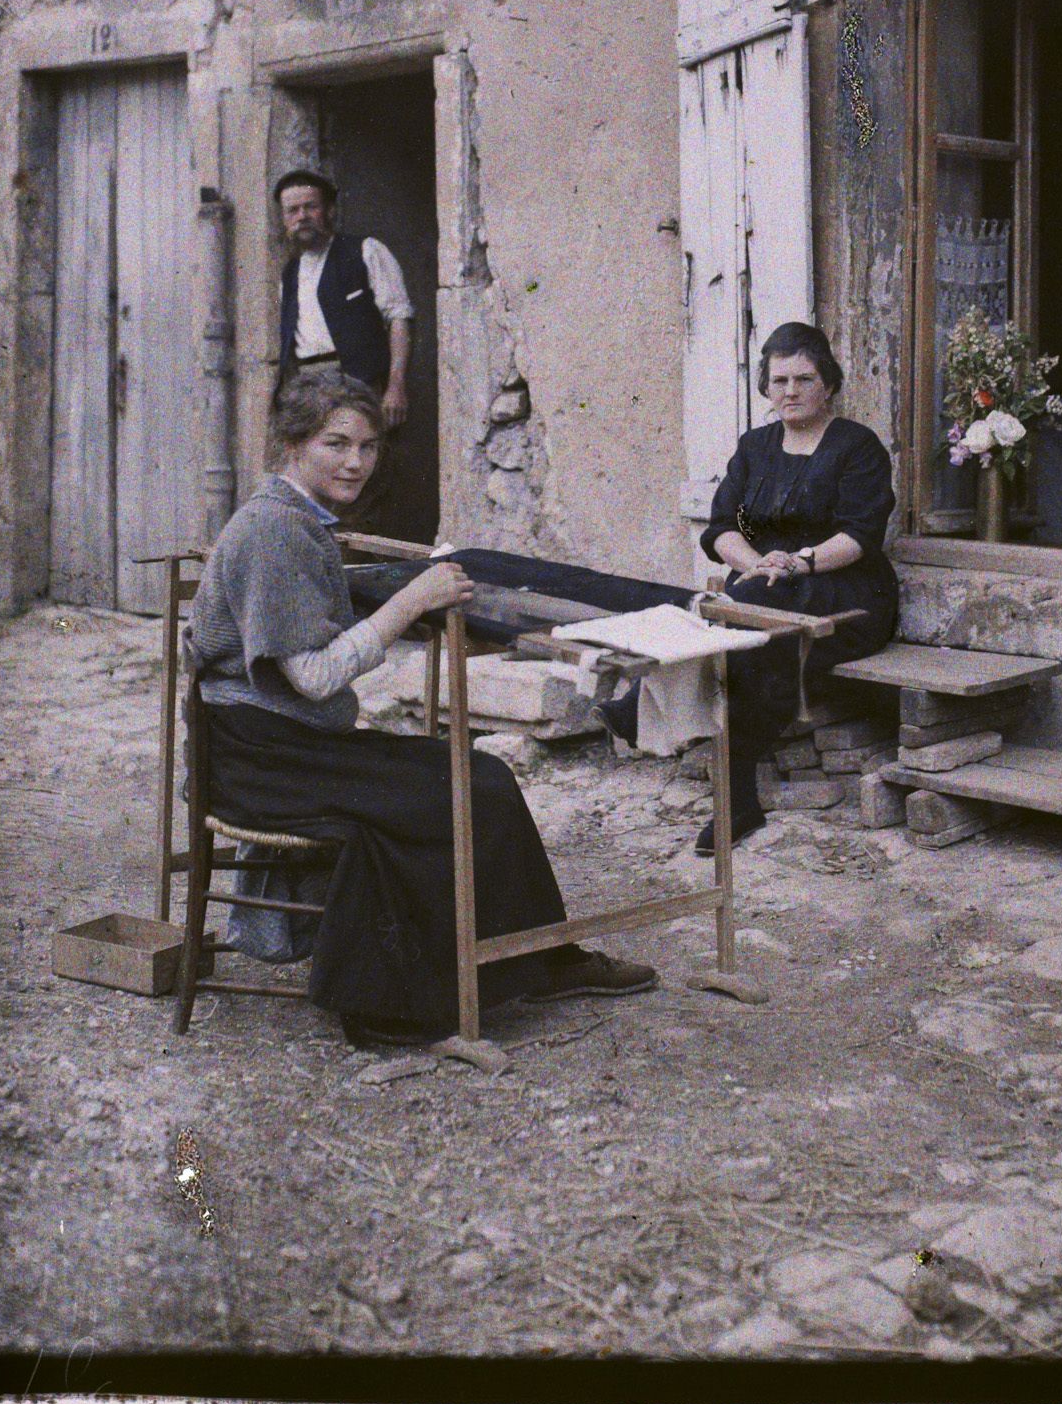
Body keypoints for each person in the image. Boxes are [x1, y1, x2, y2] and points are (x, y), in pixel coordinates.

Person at [186, 369, 656, 1047]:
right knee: (460, 786)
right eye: (335, 444)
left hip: (277, 743)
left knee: (475, 775)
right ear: (292, 444)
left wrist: (385, 591)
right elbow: (315, 677)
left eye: (368, 447)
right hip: (262, 759)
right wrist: (408, 602)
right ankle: (391, 1009)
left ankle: (538, 956)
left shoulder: (292, 518)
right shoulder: (273, 530)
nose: (354, 462)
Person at [599, 321, 898, 855]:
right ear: (765, 385)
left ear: (828, 382)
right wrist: (760, 562)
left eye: (804, 379)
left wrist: (798, 564)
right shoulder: (756, 449)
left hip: (844, 591)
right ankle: (736, 802)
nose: (790, 391)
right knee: (744, 636)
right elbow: (723, 527)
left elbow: (859, 534)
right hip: (765, 585)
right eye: (779, 379)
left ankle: (644, 708)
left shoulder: (856, 447)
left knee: (741, 627)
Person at [275, 169, 412, 430]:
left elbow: (399, 318)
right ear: (284, 220)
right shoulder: (289, 274)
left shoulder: (366, 251)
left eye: (310, 207)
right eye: (292, 211)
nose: (302, 217)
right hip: (309, 386)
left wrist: (396, 385)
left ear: (329, 210)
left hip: (359, 381)